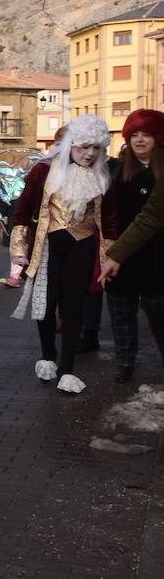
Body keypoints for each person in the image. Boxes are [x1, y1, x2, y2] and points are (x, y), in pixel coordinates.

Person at [10, 113, 110, 394]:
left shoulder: (102, 176)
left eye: (95, 148)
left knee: (74, 307)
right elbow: (23, 211)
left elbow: (109, 221)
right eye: (83, 147)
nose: (89, 154)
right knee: (46, 304)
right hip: (49, 247)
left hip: (83, 247)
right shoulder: (45, 170)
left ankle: (68, 369)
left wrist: (108, 257)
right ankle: (47, 356)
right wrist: (19, 249)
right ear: (70, 145)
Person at [102, 109, 164, 383]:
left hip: (156, 257)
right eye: (134, 134)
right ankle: (125, 363)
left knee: (158, 314)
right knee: (121, 313)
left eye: (147, 134)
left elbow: (151, 217)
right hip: (122, 255)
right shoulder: (115, 170)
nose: (140, 140)